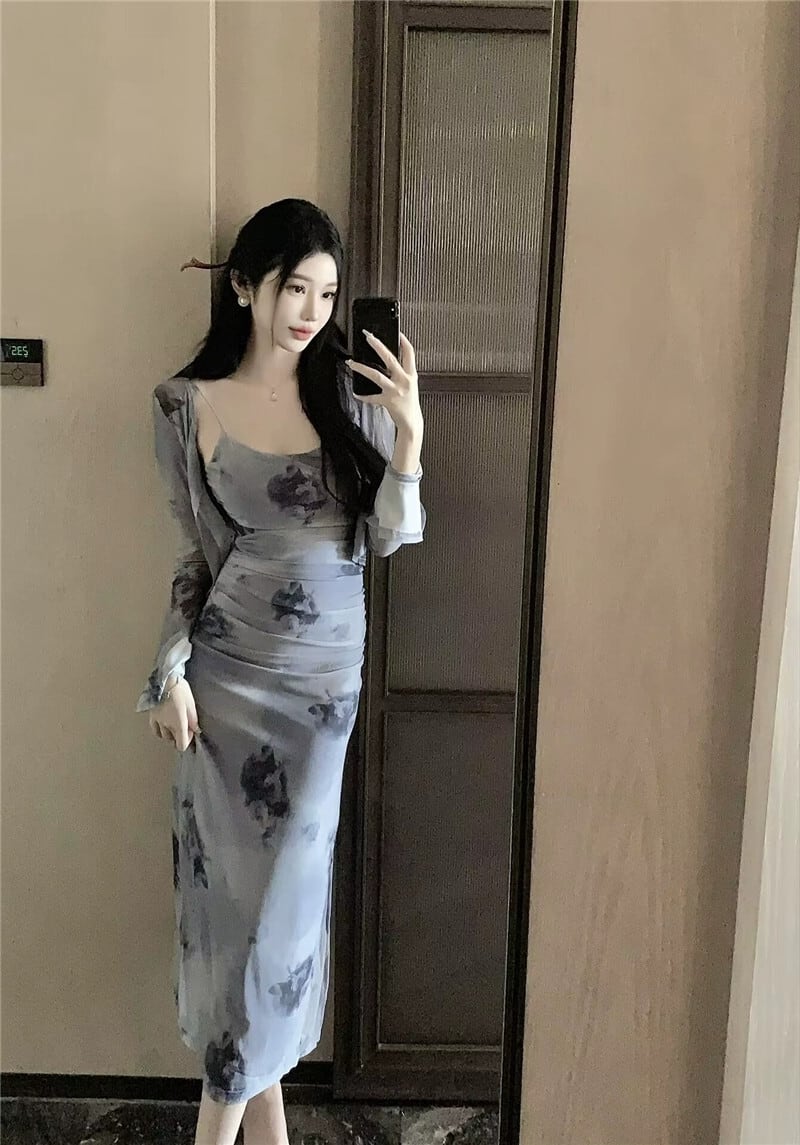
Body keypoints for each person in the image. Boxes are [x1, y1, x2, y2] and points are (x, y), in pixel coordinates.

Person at [135, 199, 426, 1145]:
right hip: (226, 684)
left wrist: (408, 438)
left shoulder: (352, 397)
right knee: (237, 922)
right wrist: (169, 673)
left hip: (322, 696)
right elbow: (197, 558)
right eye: (294, 288)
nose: (311, 311)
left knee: (278, 921)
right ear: (244, 287)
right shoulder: (186, 405)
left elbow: (389, 537)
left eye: (327, 294)